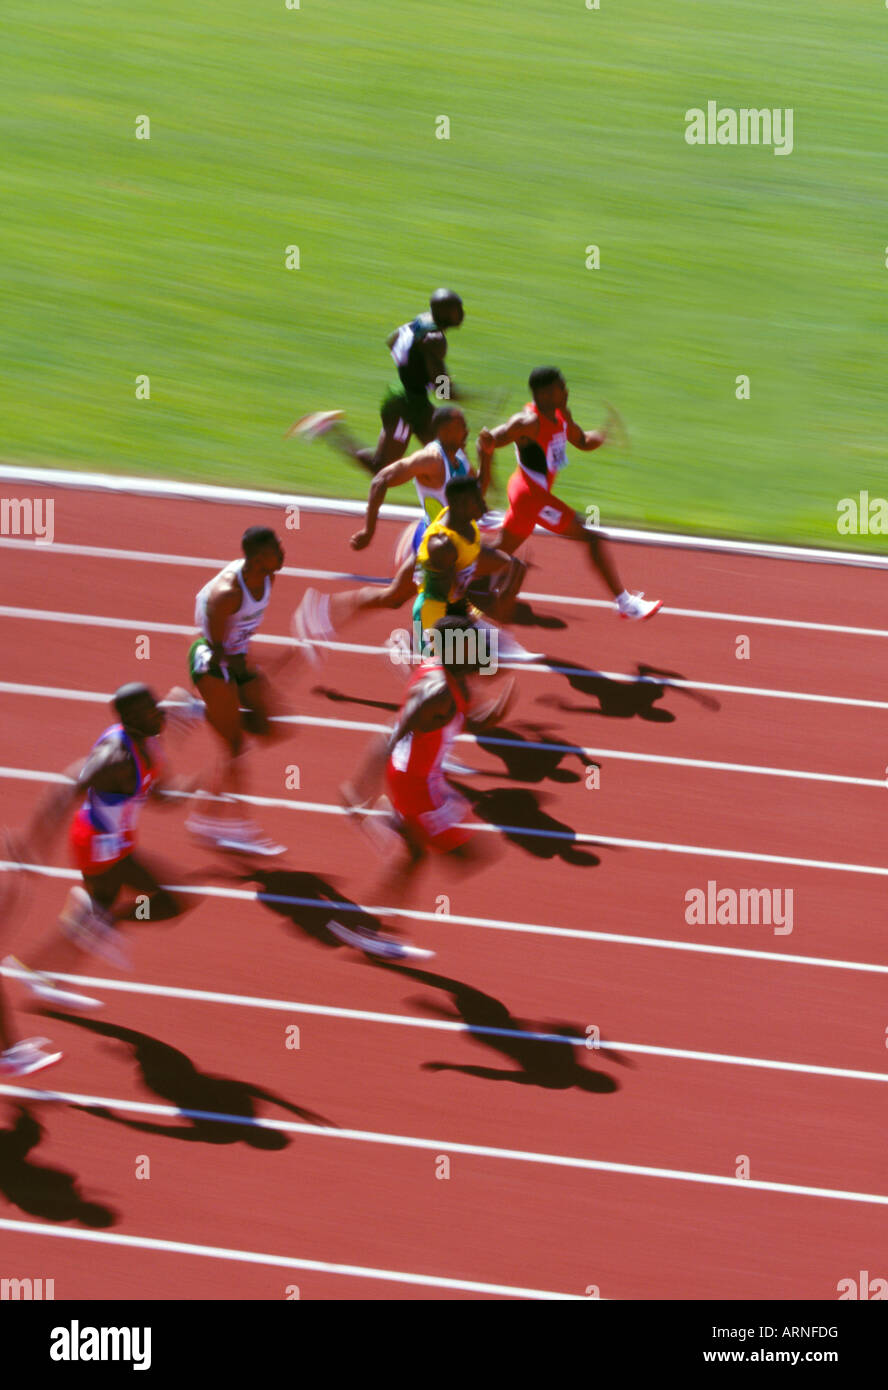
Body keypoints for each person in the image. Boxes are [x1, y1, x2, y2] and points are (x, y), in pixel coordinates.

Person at [327, 615, 516, 959]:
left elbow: (471, 717)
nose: (481, 651)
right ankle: (363, 927)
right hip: (417, 785)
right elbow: (391, 732)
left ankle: (366, 928)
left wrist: (497, 713)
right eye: (473, 645)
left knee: (416, 856)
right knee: (467, 856)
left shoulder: (454, 677)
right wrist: (359, 790)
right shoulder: (437, 693)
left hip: (417, 775)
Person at [2, 684, 193, 1012]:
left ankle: (39, 972)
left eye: (157, 704)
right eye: (151, 709)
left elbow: (158, 795)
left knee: (106, 907)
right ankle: (102, 922)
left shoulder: (149, 741)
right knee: (171, 901)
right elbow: (67, 787)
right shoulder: (115, 757)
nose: (159, 712)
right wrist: (35, 843)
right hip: (100, 847)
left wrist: (187, 789)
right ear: (131, 717)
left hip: (115, 841)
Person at [477, 366, 662, 621]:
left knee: (500, 550)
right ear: (544, 393)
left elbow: (582, 440)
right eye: (560, 387)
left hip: (531, 495)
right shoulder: (527, 422)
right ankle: (625, 603)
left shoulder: (561, 414)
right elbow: (486, 441)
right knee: (592, 537)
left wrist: (604, 435)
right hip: (531, 496)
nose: (566, 390)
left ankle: (452, 571)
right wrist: (485, 477)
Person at [185, 526, 289, 855]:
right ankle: (238, 826)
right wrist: (272, 662)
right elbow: (217, 652)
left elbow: (239, 640)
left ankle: (194, 710)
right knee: (235, 747)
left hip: (235, 658)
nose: (283, 550)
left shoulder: (268, 577)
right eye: (276, 548)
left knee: (268, 727)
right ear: (259, 558)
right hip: (212, 665)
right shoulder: (227, 593)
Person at [286, 289, 465, 473]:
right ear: (445, 313)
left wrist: (416, 369)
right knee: (381, 467)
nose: (461, 314)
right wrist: (464, 395)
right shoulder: (436, 340)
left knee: (451, 455)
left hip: (412, 398)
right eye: (456, 309)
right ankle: (329, 429)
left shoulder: (423, 321)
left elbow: (393, 339)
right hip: (406, 406)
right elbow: (442, 391)